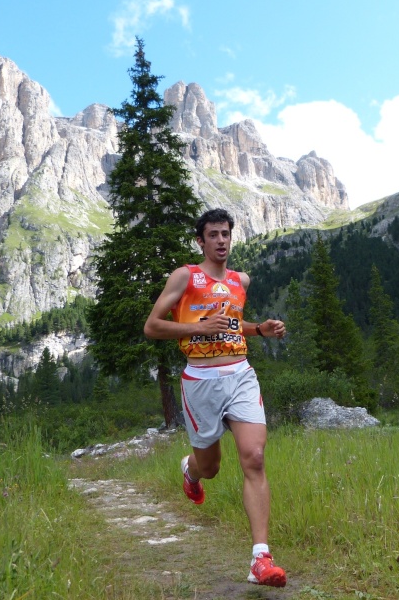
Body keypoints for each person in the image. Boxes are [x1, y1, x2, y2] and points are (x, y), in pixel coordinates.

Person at [144, 208, 287, 587]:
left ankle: (261, 558)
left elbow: (234, 323)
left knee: (254, 458)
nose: (221, 240)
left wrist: (261, 329)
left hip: (241, 374)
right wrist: (197, 326)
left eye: (226, 234)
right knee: (211, 467)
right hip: (200, 381)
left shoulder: (241, 280)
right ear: (201, 241)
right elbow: (152, 326)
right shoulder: (185, 276)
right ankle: (191, 470)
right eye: (213, 235)